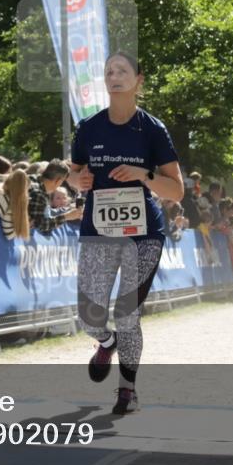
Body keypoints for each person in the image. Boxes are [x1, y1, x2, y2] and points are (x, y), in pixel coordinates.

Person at [66, 52, 183, 415]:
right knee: (89, 315)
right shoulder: (88, 127)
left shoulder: (152, 130)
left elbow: (176, 190)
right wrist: (77, 179)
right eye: (109, 72)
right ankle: (106, 342)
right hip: (99, 231)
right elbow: (72, 172)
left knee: (128, 312)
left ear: (138, 80)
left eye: (122, 71)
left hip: (143, 235)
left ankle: (127, 390)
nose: (114, 76)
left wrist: (143, 176)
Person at [28, 159, 82, 233]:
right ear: (58, 181)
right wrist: (67, 216)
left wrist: (66, 211)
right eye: (62, 182)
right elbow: (41, 225)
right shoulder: (39, 194)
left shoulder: (31, 179)